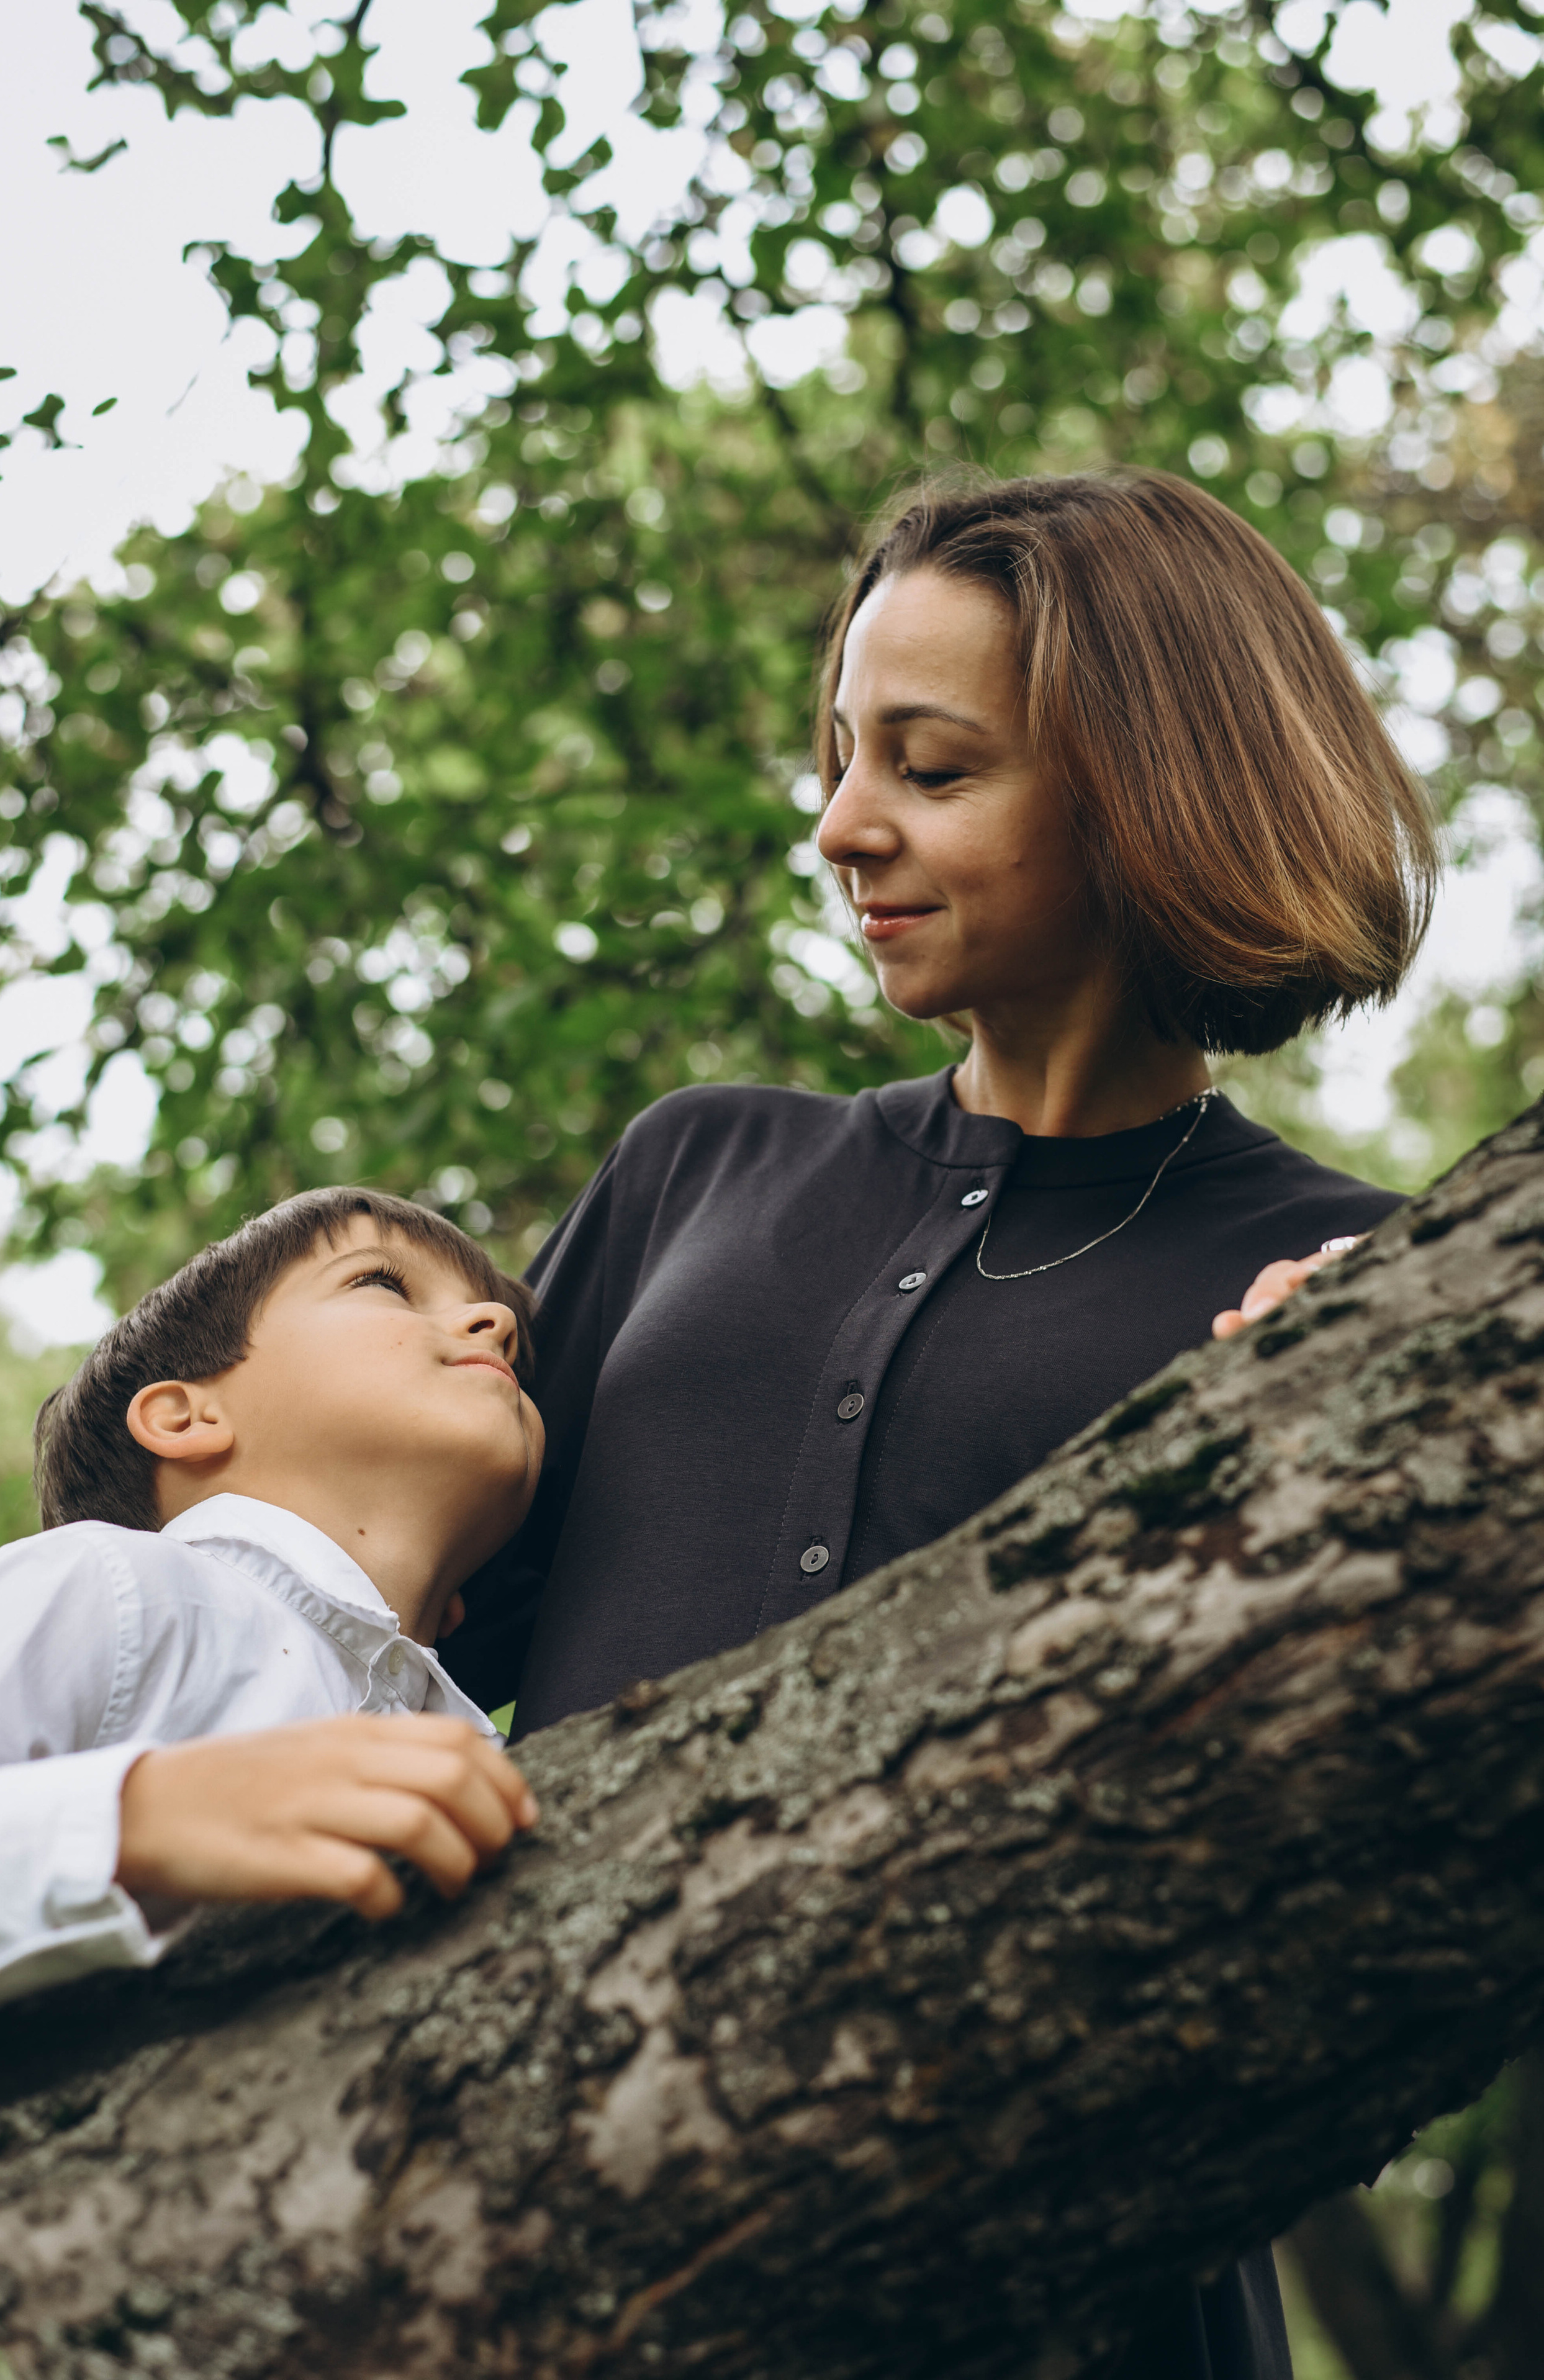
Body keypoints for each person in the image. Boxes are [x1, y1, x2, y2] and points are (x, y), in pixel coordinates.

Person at [446, 471, 1440, 2379]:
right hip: (565, 2251)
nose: (840, 824)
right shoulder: (697, 1169)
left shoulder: (1358, 1286)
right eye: (840, 753)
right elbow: (387, 1630)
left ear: (1146, 795)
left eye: (933, 766)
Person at [0, 1187, 543, 2039]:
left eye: (516, 1352)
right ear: (187, 1415)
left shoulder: (487, 1753)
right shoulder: (115, 1585)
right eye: (383, 1282)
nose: (495, 1320)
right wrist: (136, 1817)